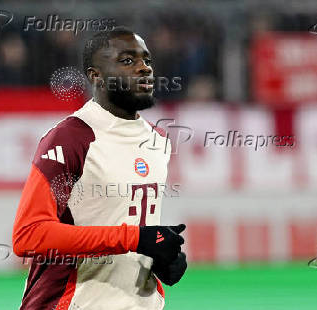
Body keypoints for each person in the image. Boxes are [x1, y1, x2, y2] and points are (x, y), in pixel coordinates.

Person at [12, 26, 187, 310]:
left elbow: (131, 226)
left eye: (147, 60)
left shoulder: (158, 140)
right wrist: (135, 238)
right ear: (96, 76)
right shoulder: (72, 137)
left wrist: (160, 259)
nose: (144, 68)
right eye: (128, 61)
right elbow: (29, 235)